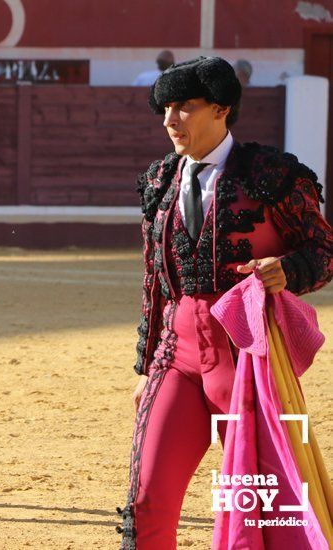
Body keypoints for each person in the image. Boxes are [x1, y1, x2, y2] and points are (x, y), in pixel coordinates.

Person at [117, 56, 333, 548]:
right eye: (165, 108)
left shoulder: (272, 174)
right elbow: (156, 281)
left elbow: (323, 250)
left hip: (249, 365)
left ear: (221, 108)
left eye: (183, 107)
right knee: (146, 502)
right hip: (178, 359)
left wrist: (288, 271)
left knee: (263, 512)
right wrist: (147, 366)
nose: (170, 120)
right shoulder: (159, 182)